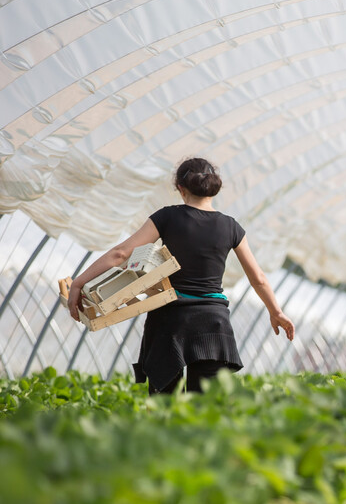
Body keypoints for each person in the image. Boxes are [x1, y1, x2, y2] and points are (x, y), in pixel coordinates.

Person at [68, 157, 295, 394]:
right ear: (213, 189)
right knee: (203, 409)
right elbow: (258, 277)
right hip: (213, 323)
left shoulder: (167, 217)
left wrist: (79, 283)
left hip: (170, 319)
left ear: (180, 188)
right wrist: (275, 311)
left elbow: (120, 254)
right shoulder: (231, 227)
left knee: (162, 407)